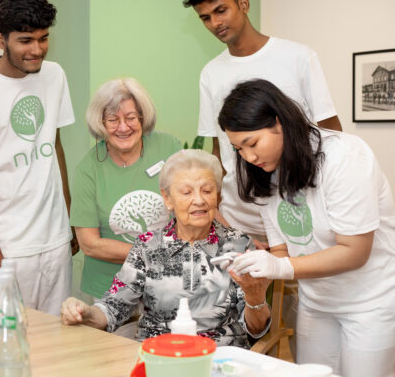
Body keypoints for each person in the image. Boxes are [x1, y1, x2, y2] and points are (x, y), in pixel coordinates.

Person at [218, 79, 395, 376]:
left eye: (253, 143)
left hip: (370, 303)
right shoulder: (266, 171)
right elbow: (282, 249)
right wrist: (257, 267)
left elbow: (355, 252)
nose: (248, 157)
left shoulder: (345, 157)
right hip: (316, 301)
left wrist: (280, 267)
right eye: (239, 149)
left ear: (279, 122)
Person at [183, 0, 342, 244]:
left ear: (243, 4)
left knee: (303, 272)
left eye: (221, 10)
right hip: (240, 216)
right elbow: (218, 148)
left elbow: (331, 133)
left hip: (298, 208)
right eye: (205, 18)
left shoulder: (298, 57)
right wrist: (214, 204)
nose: (215, 23)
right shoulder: (211, 73)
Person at [62, 149, 271, 345]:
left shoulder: (239, 245)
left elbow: (256, 329)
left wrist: (255, 297)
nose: (199, 200)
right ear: (167, 199)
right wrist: (85, 313)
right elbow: (114, 307)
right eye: (187, 192)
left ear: (217, 196)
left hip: (218, 355)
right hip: (157, 354)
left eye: (207, 190)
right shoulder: (148, 246)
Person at [0, 0, 75, 315]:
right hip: (9, 248)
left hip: (55, 240)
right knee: (6, 340)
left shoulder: (55, 75)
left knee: (57, 339)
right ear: (1, 40)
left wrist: (68, 219)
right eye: (25, 41)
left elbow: (54, 146)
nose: (37, 50)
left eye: (43, 38)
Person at [70, 78, 182, 300]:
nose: (123, 127)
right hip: (111, 287)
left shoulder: (168, 147)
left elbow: (196, 201)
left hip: (168, 282)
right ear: (101, 123)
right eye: (113, 120)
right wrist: (155, 254)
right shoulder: (87, 170)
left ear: (142, 117)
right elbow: (90, 244)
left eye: (130, 118)